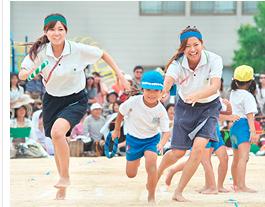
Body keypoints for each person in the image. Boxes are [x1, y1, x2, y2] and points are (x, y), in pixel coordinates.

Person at [18, 13, 128, 200]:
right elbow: (21, 74)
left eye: (60, 29)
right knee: (57, 139)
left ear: (66, 31)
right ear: (46, 32)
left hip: (76, 99)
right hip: (52, 99)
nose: (56, 33)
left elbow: (103, 54)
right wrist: (27, 72)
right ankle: (62, 187)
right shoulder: (40, 52)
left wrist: (120, 75)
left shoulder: (77, 49)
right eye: (52, 29)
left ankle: (65, 177)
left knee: (58, 133)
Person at [157, 26, 223, 202]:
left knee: (199, 148)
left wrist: (197, 95)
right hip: (185, 108)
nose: (192, 49)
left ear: (202, 44)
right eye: (188, 46)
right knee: (178, 152)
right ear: (182, 48)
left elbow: (215, 86)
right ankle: (156, 174)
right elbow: (169, 80)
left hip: (209, 107)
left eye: (196, 44)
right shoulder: (177, 64)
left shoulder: (214, 59)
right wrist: (164, 90)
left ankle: (178, 192)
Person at [112, 71, 170, 202]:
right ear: (143, 89)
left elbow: (166, 132)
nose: (151, 93)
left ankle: (151, 195)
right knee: (131, 174)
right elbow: (120, 113)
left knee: (151, 163)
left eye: (156, 90)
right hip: (133, 139)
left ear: (161, 92)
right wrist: (116, 130)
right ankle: (136, 160)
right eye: (148, 89)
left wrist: (161, 144)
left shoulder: (161, 110)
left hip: (151, 140)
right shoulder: (133, 101)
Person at [229, 65, 260, 193]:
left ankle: (236, 184)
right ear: (250, 82)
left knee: (236, 158)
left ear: (235, 80)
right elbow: (250, 116)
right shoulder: (248, 96)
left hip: (234, 127)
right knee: (244, 158)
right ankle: (242, 186)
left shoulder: (233, 93)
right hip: (243, 126)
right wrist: (253, 132)